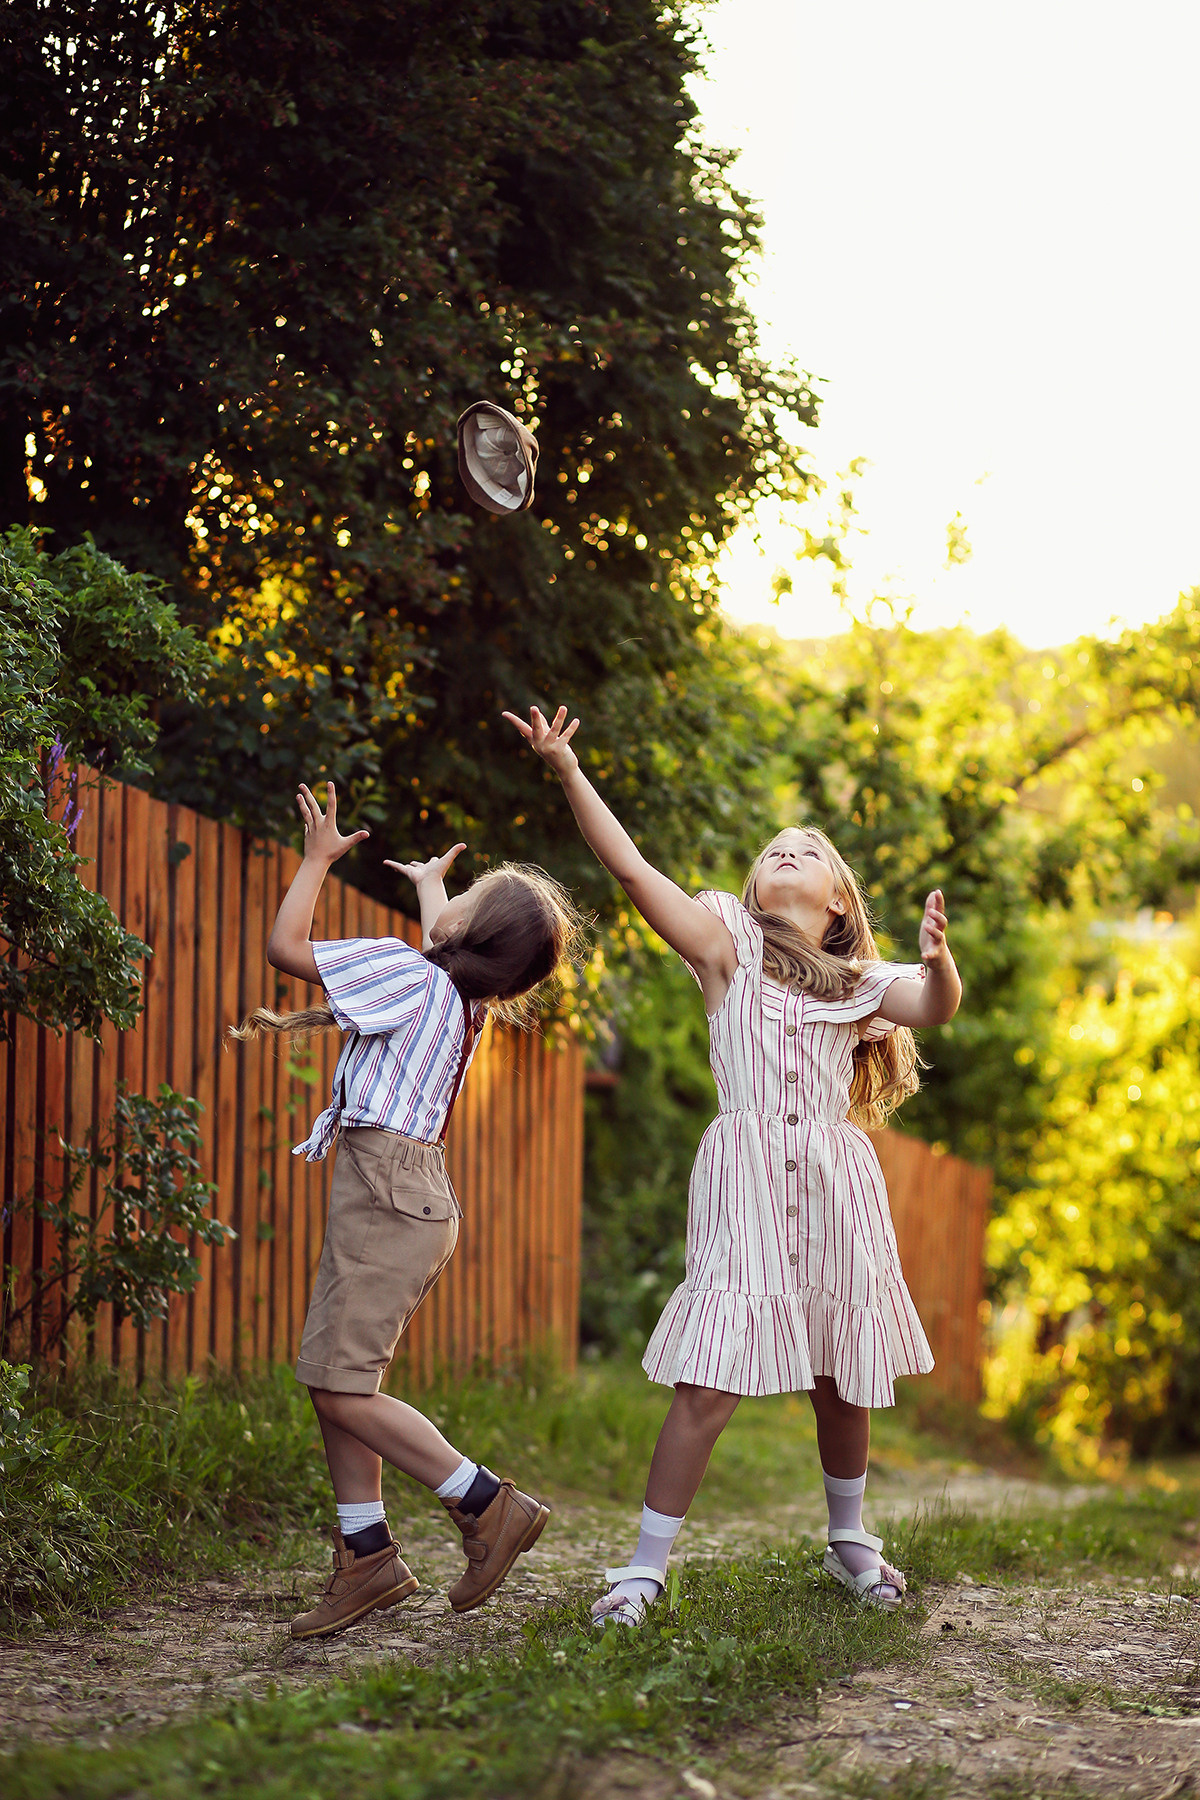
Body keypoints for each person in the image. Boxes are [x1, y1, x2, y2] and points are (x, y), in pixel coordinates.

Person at [504, 704, 962, 1625]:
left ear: (838, 901)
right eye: (773, 850)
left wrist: (940, 962)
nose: (785, 852)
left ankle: (848, 1541)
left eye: (807, 850)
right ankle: (644, 1567)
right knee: (712, 1371)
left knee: (842, 1366)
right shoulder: (726, 947)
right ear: (753, 891)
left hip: (838, 1182)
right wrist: (565, 770)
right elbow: (631, 869)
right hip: (745, 1170)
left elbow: (933, 1007)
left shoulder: (861, 981)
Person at [232, 779, 583, 1639]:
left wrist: (316, 861)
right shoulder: (460, 996)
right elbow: (448, 941)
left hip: (388, 1193)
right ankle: (368, 1558)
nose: (448, 902)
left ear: (470, 932)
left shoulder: (404, 972)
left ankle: (487, 1504)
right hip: (401, 1194)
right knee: (340, 1383)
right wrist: (434, 888)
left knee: (340, 1386)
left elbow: (287, 948)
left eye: (465, 896)